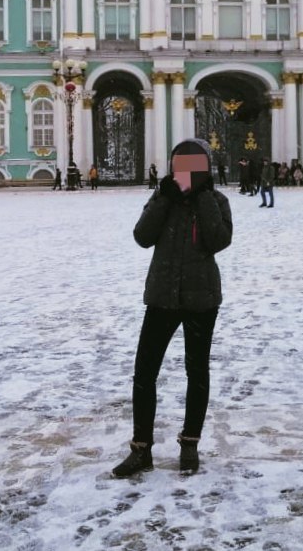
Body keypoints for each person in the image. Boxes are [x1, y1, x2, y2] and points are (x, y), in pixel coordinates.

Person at [112, 138, 233, 478]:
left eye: (194, 168)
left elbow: (218, 240)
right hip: (162, 296)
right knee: (145, 372)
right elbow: (142, 236)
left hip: (201, 299)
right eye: (181, 166)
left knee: (197, 373)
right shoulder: (162, 198)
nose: (187, 174)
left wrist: (204, 194)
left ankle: (190, 444)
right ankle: (141, 450)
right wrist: (165, 197)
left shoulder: (217, 200)